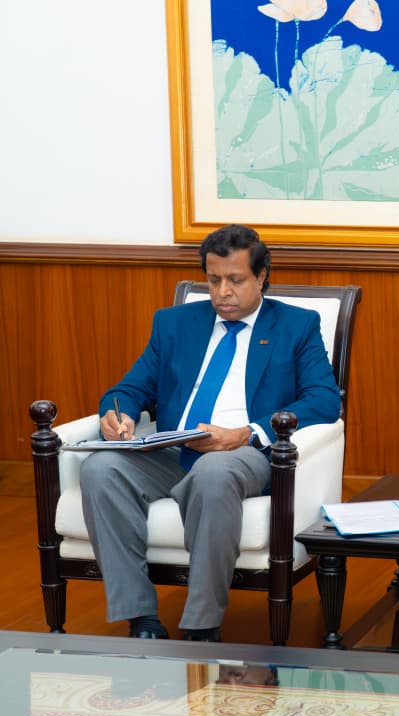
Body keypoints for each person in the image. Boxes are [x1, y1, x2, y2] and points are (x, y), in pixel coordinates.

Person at [80, 224, 341, 642]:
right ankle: (140, 617)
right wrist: (118, 414)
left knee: (214, 473)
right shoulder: (174, 324)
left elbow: (324, 399)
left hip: (243, 452)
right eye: (213, 279)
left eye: (235, 280)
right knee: (99, 469)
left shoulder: (296, 325)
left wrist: (246, 433)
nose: (222, 292)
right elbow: (129, 389)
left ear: (261, 277)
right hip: (172, 448)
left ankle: (201, 627)